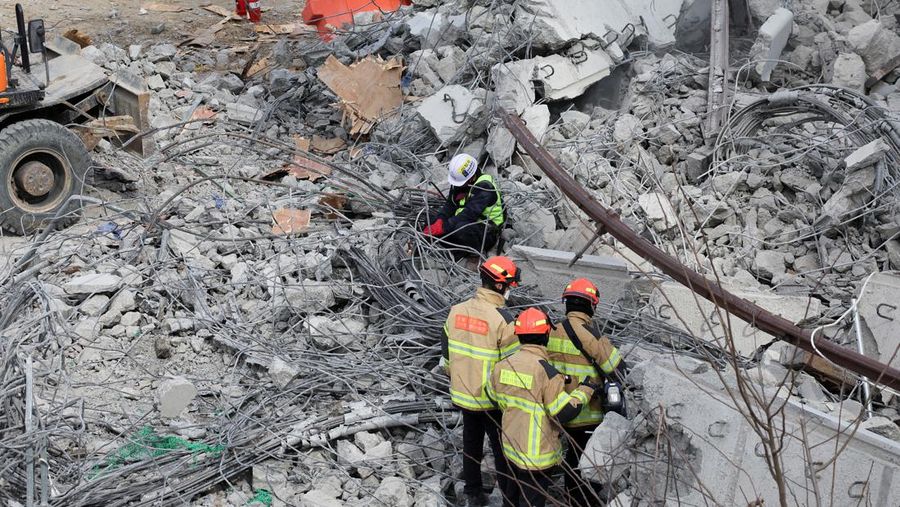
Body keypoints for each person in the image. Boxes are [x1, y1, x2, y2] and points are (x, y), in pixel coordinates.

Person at [487, 307, 597, 507]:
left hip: (511, 449)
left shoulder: (503, 364)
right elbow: (562, 413)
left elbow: (492, 396)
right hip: (537, 456)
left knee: (511, 499)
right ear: (546, 334)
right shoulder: (547, 372)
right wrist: (585, 390)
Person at [442, 255, 521, 506]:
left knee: (471, 443)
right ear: (500, 286)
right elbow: (513, 368)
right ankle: (509, 498)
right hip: (492, 400)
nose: (510, 290)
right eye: (509, 286)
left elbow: (446, 356)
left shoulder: (456, 311)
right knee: (502, 450)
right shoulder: (504, 320)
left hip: (463, 393)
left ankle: (473, 493)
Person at [547, 278, 627, 506]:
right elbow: (617, 368)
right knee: (589, 463)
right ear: (592, 305)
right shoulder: (589, 334)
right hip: (588, 411)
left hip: (561, 408)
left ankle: (570, 497)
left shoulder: (551, 331)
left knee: (571, 458)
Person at [423, 153, 505, 258]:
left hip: (487, 231)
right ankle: (445, 244)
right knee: (431, 219)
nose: (457, 185)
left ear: (471, 177)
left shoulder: (485, 187)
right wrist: (440, 220)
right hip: (465, 221)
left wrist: (443, 227)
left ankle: (469, 252)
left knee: (461, 229)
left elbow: (469, 214)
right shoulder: (462, 183)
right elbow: (450, 205)